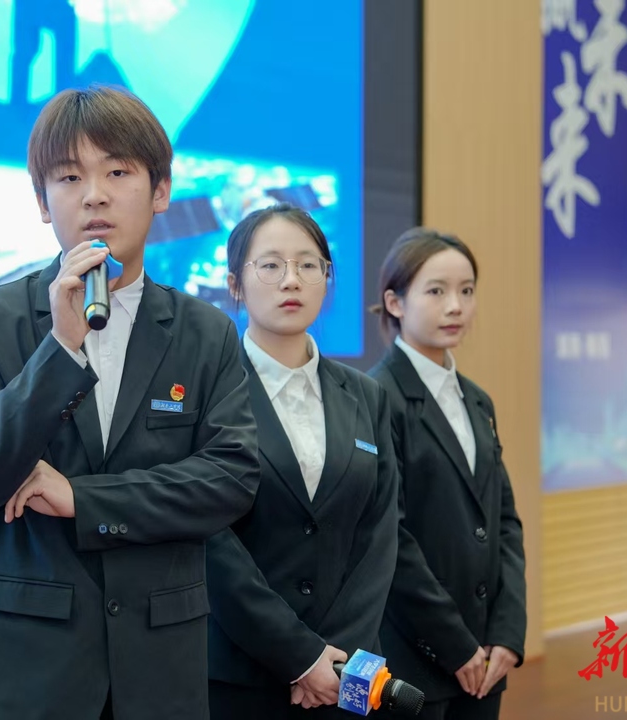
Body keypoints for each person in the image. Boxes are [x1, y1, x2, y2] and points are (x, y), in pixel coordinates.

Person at [0, 85, 260, 720]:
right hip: (23, 674)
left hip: (159, 675)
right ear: (42, 201)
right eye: (69, 177)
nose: (94, 195)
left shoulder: (206, 331)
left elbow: (230, 480)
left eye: (118, 172)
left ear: (160, 191)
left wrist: (83, 500)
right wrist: (60, 349)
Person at [205, 203, 400, 719]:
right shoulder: (210, 393)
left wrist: (337, 659)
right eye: (271, 265)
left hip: (346, 675)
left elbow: (379, 535)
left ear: (326, 278)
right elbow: (211, 541)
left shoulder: (366, 395)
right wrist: (299, 656)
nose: (291, 279)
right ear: (235, 284)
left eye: (308, 265)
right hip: (242, 673)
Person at [368, 228, 527, 720]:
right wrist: (455, 645)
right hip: (416, 660)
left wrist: (507, 633)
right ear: (395, 302)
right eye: (436, 291)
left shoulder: (478, 400)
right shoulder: (376, 398)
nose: (456, 306)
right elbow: (390, 538)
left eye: (467, 290)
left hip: (486, 660)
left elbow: (503, 521)